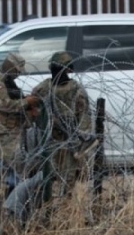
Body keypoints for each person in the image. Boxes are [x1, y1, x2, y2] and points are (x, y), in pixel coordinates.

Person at [31, 51, 92, 197]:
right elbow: (33, 111)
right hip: (49, 139)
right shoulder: (43, 88)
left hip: (68, 139)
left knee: (69, 175)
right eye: (55, 68)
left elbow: (84, 116)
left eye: (60, 68)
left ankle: (66, 204)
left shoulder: (75, 89)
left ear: (68, 70)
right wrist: (47, 121)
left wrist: (80, 138)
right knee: (46, 175)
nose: (56, 72)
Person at [0, 53, 38, 186]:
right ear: (11, 67)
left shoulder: (9, 84)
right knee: (18, 169)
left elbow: (15, 102)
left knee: (15, 167)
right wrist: (26, 102)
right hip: (7, 134)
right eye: (17, 71)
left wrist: (28, 105)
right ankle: (14, 200)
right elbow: (3, 104)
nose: (18, 74)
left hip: (16, 131)